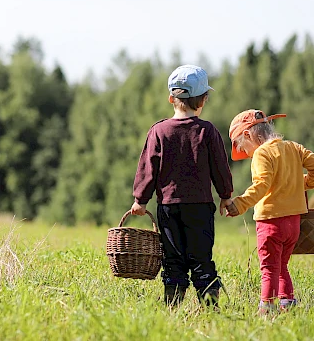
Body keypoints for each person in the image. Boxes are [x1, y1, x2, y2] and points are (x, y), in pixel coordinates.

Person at [130, 64, 233, 307]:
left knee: (173, 259)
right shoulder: (207, 131)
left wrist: (140, 200)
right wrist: (226, 196)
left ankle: (172, 308)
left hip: (168, 207)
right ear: (203, 101)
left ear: (170, 98)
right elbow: (220, 167)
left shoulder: (158, 131)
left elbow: (148, 168)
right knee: (201, 259)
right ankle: (211, 310)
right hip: (200, 207)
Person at [225, 109, 314, 314]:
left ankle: (267, 308)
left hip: (271, 223)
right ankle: (287, 302)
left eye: (242, 146)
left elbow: (261, 186)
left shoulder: (261, 153)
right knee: (282, 264)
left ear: (248, 135)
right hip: (294, 223)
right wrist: (303, 183)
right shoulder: (293, 147)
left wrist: (239, 204)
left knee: (268, 268)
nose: (246, 153)